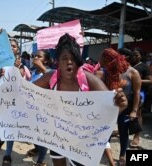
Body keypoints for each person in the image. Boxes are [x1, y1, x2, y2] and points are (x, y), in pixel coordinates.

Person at [32, 33, 127, 166]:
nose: (69, 62)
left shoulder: (89, 80)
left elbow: (110, 108)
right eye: (64, 58)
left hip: (82, 139)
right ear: (57, 62)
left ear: (78, 61)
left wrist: (120, 104)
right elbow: (25, 92)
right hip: (56, 135)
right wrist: (6, 78)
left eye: (73, 59)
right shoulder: (51, 78)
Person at [98, 48, 141, 166]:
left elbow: (137, 92)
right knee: (105, 131)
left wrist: (134, 110)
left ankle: (122, 155)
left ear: (108, 59)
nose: (99, 59)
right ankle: (106, 153)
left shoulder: (132, 72)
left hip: (126, 108)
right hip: (109, 108)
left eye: (102, 57)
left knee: (123, 131)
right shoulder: (105, 72)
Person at [26, 49, 53, 166]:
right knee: (32, 134)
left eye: (39, 56)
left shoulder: (51, 72)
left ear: (46, 60)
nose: (35, 58)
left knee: (42, 138)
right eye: (34, 56)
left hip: (45, 113)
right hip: (32, 110)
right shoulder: (33, 72)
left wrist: (43, 69)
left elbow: (55, 84)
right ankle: (37, 149)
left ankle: (41, 161)